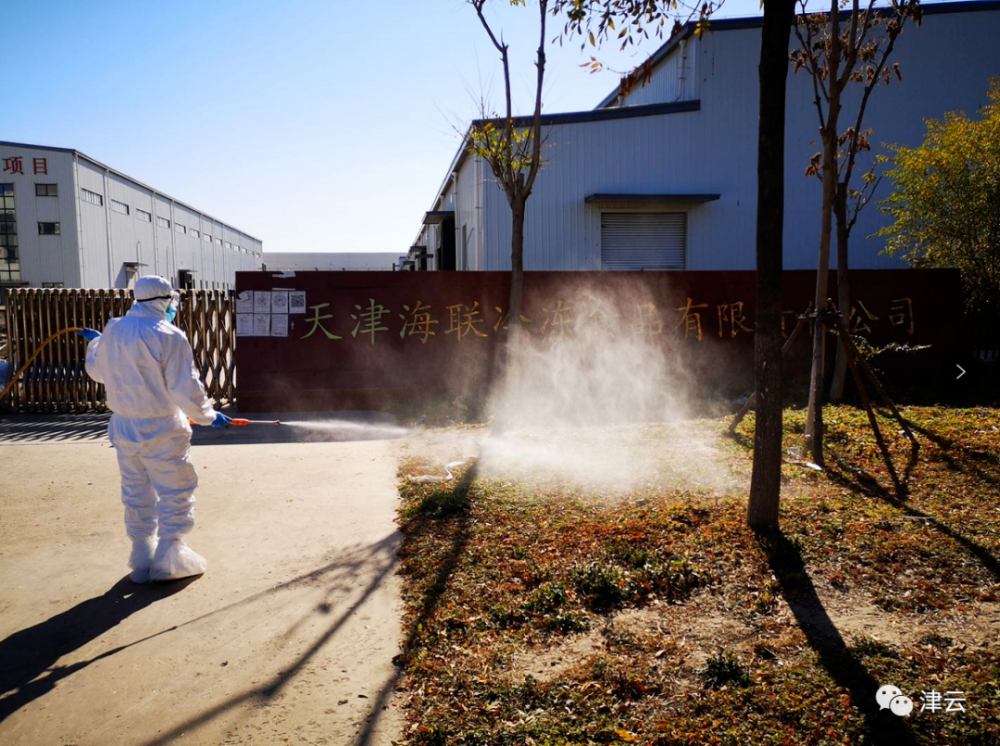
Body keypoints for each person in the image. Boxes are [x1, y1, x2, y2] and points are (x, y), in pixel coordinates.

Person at [80, 275, 232, 583]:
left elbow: (97, 371)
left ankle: (142, 557)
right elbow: (184, 386)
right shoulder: (169, 335)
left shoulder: (114, 329)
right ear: (166, 300)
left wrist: (97, 343)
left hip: (124, 428)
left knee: (136, 490)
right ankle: (168, 560)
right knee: (176, 489)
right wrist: (206, 415)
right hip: (162, 428)